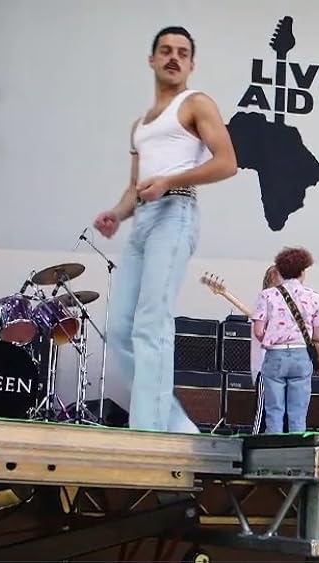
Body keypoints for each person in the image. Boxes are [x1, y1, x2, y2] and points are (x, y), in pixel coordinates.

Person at [94, 26, 237, 432]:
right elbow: (134, 187)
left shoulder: (196, 103)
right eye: (166, 50)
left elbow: (227, 162)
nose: (174, 57)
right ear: (152, 59)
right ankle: (177, 427)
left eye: (182, 52)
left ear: (191, 64)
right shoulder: (140, 125)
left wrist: (170, 181)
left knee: (151, 324)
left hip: (176, 213)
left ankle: (149, 431)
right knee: (120, 329)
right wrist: (116, 214)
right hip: (143, 222)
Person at [252, 247, 319, 433]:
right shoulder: (314, 297)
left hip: (275, 356)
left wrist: (273, 337)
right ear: (302, 271)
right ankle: (297, 448)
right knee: (298, 414)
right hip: (301, 356)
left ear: (281, 271)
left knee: (274, 412)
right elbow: (318, 335)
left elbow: (258, 331)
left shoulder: (267, 295)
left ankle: (273, 448)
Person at [250, 265, 282, 434]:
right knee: (263, 413)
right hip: (265, 368)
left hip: (281, 368)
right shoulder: (263, 303)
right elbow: (261, 334)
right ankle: (255, 442)